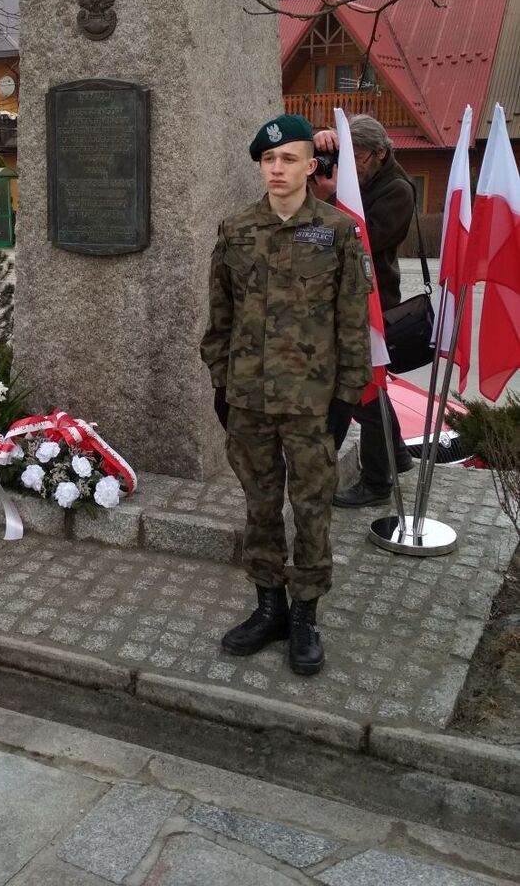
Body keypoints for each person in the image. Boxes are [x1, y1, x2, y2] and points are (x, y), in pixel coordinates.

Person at [201, 113, 372, 675]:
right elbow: (220, 315)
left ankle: (305, 616)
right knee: (260, 506)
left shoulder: (338, 232)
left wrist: (347, 396)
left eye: (289, 159)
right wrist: (220, 381)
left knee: (312, 508)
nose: (277, 168)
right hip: (248, 399)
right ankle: (268, 607)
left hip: (312, 403)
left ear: (310, 166)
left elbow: (352, 320)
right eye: (269, 159)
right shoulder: (235, 230)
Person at [312, 115, 416, 507]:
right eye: (346, 154)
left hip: (372, 302)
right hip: (342, 297)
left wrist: (330, 198)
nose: (350, 164)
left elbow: (359, 240)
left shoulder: (397, 190)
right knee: (369, 390)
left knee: (364, 392)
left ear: (380, 154)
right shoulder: (360, 172)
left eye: (357, 157)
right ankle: (397, 456)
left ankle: (376, 484)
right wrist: (318, 135)